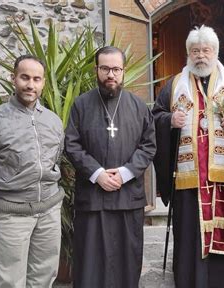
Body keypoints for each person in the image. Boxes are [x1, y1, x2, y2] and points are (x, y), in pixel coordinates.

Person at [152, 25, 224, 287]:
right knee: (189, 234)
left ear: (216, 52)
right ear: (188, 54)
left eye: (206, 50)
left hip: (223, 177)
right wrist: (169, 120)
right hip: (188, 179)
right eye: (195, 51)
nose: (201, 55)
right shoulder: (174, 86)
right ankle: (190, 281)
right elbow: (154, 117)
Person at [0, 55, 64, 288]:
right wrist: (5, 196)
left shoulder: (53, 121)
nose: (30, 84)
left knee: (44, 274)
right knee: (10, 279)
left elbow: (55, 158)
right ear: (13, 78)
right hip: (12, 214)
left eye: (36, 79)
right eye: (25, 77)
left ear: (43, 83)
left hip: (50, 209)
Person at [65, 46, 156, 287]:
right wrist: (97, 174)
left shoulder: (138, 107)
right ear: (96, 70)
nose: (111, 74)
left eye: (116, 69)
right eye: (105, 68)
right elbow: (71, 144)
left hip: (128, 198)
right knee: (90, 266)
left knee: (127, 263)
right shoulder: (81, 105)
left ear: (124, 71)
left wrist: (125, 173)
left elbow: (148, 146)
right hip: (93, 198)